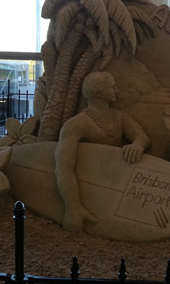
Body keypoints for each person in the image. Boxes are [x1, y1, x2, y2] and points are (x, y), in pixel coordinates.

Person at [55, 71, 151, 232]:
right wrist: (73, 207)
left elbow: (142, 137)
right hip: (89, 186)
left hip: (117, 182)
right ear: (99, 91)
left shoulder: (119, 117)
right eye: (112, 87)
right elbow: (64, 168)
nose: (117, 91)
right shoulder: (76, 124)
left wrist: (137, 145)